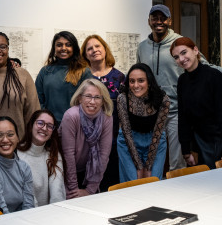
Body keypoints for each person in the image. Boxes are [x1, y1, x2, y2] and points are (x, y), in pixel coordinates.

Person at [137, 4, 222, 171]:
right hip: (154, 112)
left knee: (177, 164)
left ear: (169, 21)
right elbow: (140, 75)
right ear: (148, 21)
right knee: (151, 160)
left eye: (162, 18)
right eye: (154, 18)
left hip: (176, 111)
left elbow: (210, 69)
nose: (159, 21)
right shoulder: (142, 47)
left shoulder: (180, 43)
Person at [171, 37, 222, 169]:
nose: (181, 59)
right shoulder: (182, 80)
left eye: (184, 52)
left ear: (195, 50)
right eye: (176, 57)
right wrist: (186, 150)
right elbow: (183, 117)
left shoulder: (215, 76)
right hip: (202, 141)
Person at [81, 34, 125, 191]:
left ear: (105, 49)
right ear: (85, 55)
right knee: (88, 184)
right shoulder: (82, 77)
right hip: (87, 138)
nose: (94, 50)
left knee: (111, 183)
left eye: (97, 46)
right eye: (89, 48)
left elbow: (123, 110)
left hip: (112, 137)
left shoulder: (119, 77)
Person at [0, 31, 40, 138]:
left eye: (2, 46)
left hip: (19, 143)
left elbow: (33, 112)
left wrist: (31, 142)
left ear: (8, 49)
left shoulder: (22, 74)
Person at [59, 79, 113, 198]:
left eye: (97, 97)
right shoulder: (71, 116)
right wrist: (74, 189)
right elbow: (68, 154)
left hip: (92, 173)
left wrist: (90, 190)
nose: (92, 101)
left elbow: (104, 155)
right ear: (80, 98)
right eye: (88, 96)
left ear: (103, 101)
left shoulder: (107, 118)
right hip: (66, 172)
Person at [116, 63, 169, 182]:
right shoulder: (122, 99)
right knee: (133, 181)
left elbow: (158, 133)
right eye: (132, 81)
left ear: (149, 81)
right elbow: (126, 132)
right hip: (128, 142)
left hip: (155, 141)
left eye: (141, 81)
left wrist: (148, 166)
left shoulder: (163, 99)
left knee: (153, 180)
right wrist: (139, 167)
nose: (135, 85)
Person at [35, 31, 92, 123]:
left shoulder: (84, 71)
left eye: (68, 45)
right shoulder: (45, 71)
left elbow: (89, 101)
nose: (63, 48)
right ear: (54, 48)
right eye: (59, 45)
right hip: (50, 126)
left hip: (76, 125)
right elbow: (37, 100)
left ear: (74, 48)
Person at [17, 109, 66, 206]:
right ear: (31, 126)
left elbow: (57, 192)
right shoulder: (17, 154)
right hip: (26, 213)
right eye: (40, 123)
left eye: (49, 126)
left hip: (50, 214)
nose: (44, 128)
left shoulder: (54, 154)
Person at [0, 116, 34, 213]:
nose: (5, 140)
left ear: (18, 138)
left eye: (10, 134)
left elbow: (29, 205)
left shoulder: (24, 167)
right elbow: (0, 207)